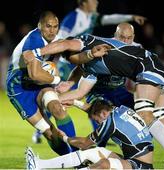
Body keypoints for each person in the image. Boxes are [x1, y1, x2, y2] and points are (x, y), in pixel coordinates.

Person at [23, 32, 164, 169]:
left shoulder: (85, 41)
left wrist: (37, 52)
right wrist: (51, 101)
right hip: (149, 67)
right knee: (160, 120)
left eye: (73, 59)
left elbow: (64, 43)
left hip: (147, 65)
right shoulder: (91, 67)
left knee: (145, 115)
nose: (76, 62)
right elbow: (79, 92)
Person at [6, 10, 109, 155]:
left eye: (55, 26)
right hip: (19, 89)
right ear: (39, 25)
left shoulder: (58, 40)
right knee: (51, 134)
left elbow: (75, 59)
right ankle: (67, 158)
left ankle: (76, 157)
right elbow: (35, 75)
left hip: (41, 84)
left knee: (58, 109)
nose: (52, 31)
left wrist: (91, 54)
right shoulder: (34, 40)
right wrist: (57, 80)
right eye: (48, 26)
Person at [25, 98, 154, 170]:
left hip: (140, 167)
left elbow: (84, 143)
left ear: (103, 114)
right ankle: (39, 165)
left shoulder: (110, 122)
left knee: (104, 164)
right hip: (134, 160)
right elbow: (95, 110)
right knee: (93, 152)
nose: (98, 124)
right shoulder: (120, 110)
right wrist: (76, 103)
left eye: (97, 121)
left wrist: (64, 137)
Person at [57, 0, 147, 81]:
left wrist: (131, 17)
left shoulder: (91, 17)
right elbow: (60, 41)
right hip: (67, 64)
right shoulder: (72, 18)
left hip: (82, 61)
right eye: (93, 0)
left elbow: (109, 19)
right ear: (83, 2)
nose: (97, 2)